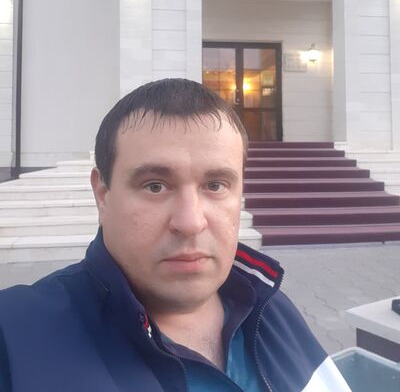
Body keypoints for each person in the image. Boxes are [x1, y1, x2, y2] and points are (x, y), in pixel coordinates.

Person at [0, 78, 351, 392]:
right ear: (102, 194)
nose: (190, 222)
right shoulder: (16, 336)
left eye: (216, 185)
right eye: (155, 186)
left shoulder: (270, 306)